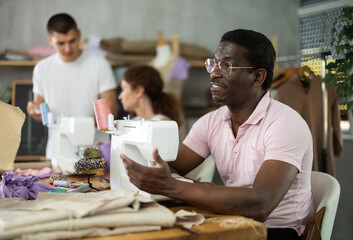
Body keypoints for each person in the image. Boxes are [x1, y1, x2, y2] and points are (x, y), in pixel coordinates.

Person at [120, 29, 315, 239]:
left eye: (227, 66)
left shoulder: (285, 123)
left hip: (277, 231)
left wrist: (172, 186)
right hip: (235, 221)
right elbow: (172, 166)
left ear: (258, 77)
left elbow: (261, 204)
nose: (213, 73)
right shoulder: (212, 122)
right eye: (213, 63)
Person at [27, 13, 118, 169]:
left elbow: (111, 111)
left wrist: (80, 127)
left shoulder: (99, 65)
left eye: (72, 41)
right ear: (50, 40)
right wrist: (34, 110)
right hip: (57, 153)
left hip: (96, 152)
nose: (68, 48)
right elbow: (40, 107)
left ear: (79, 34)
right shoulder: (42, 69)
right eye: (61, 43)